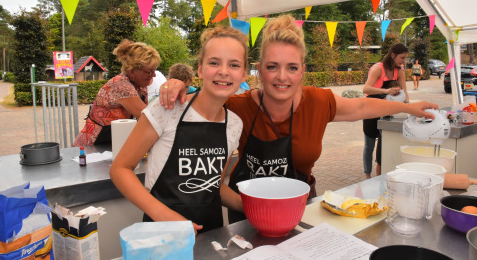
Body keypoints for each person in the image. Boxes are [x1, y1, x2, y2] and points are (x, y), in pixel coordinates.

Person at [159, 15, 438, 223]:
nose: (282, 77)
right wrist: (176, 85)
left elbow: (359, 108)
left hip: (299, 209)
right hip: (245, 212)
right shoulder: (236, 105)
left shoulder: (317, 101)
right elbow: (202, 100)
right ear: (258, 70)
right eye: (272, 67)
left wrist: (407, 108)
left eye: (292, 68)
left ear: (302, 71)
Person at [110, 26, 248, 234]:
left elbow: (214, 185)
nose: (223, 71)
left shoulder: (234, 124)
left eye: (234, 64)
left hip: (211, 234)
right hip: (162, 236)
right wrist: (167, 218)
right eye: (213, 62)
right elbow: (120, 169)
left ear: (244, 74)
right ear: (200, 69)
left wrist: (251, 206)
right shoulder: (167, 108)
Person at [73, 39, 161, 146]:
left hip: (112, 139)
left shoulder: (140, 86)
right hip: (93, 145)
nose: (154, 75)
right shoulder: (121, 85)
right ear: (132, 71)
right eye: (149, 71)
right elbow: (148, 119)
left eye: (154, 70)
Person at [362, 45, 409, 179]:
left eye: (405, 58)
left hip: (386, 109)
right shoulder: (378, 68)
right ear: (393, 55)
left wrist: (408, 108)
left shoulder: (399, 71)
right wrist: (386, 91)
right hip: (370, 108)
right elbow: (366, 89)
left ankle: (381, 174)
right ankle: (367, 175)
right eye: (402, 58)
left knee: (383, 145)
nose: (403, 61)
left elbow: (405, 93)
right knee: (369, 145)